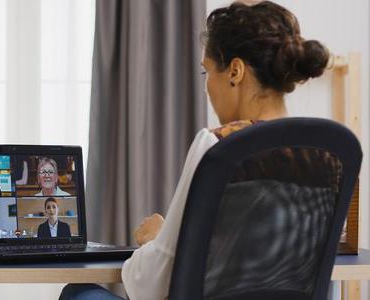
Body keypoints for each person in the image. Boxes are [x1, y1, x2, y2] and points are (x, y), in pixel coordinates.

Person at [59, 1, 330, 299]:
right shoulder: (325, 153)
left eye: (207, 73)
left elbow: (151, 285)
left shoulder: (219, 145)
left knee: (79, 293)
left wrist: (156, 239)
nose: (207, 88)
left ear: (235, 72)